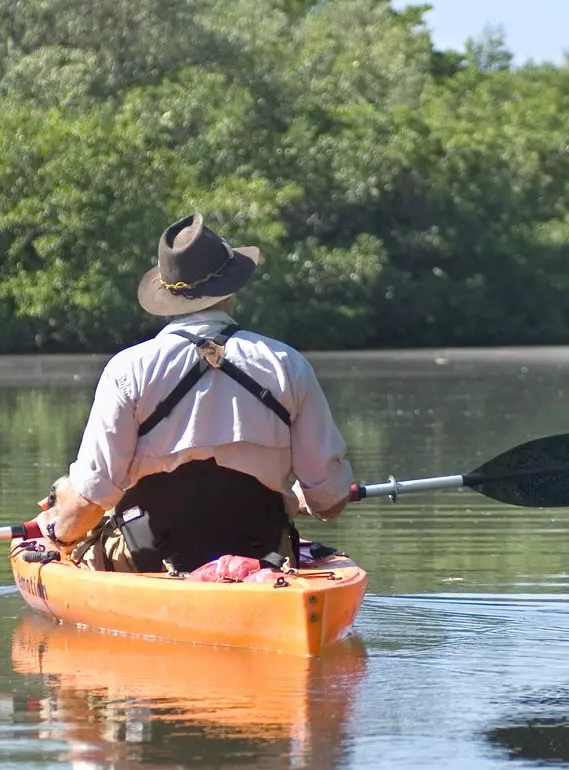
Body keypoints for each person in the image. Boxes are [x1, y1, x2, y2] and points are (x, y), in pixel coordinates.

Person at [40, 214, 353, 572]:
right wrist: (295, 500)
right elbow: (329, 502)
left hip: (150, 561)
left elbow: (88, 503)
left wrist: (58, 534)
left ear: (167, 294)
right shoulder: (288, 364)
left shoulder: (128, 370)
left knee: (73, 494)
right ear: (231, 288)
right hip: (263, 559)